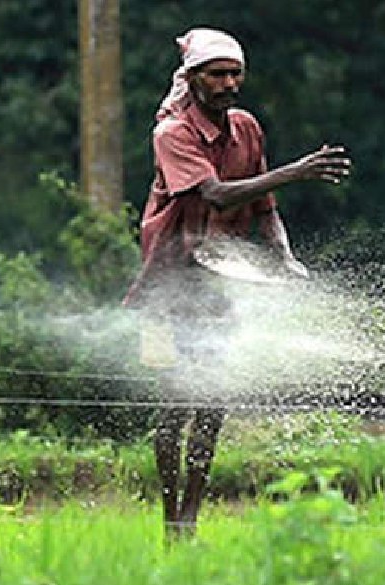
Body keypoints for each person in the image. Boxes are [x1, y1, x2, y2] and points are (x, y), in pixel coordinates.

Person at [122, 27, 351, 537]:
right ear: (193, 78)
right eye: (216, 74)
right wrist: (296, 172)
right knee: (175, 402)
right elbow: (219, 195)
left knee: (213, 400)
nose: (228, 83)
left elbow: (263, 208)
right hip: (167, 282)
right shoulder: (172, 133)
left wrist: (286, 258)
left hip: (218, 280)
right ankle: (170, 522)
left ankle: (193, 518)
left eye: (234, 73)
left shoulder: (246, 128)